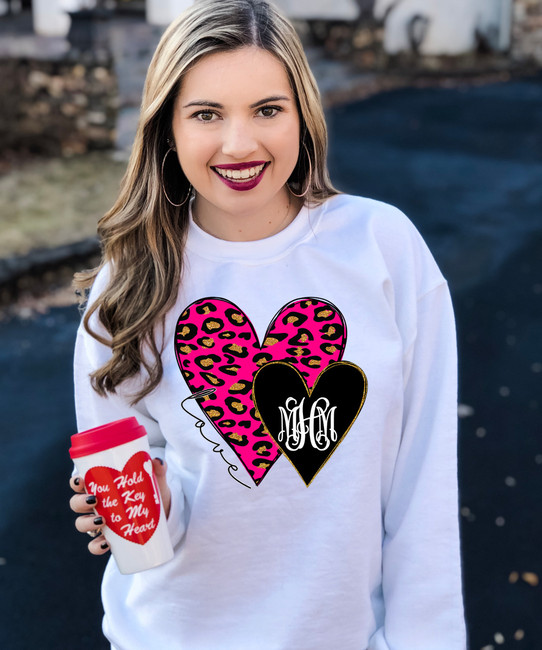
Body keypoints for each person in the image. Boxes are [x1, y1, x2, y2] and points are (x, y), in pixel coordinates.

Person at [69, 0, 466, 648]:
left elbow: (424, 488)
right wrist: (145, 509)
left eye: (267, 109)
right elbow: (143, 539)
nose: (239, 144)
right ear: (168, 126)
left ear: (303, 115)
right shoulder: (127, 290)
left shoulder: (383, 249)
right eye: (206, 114)